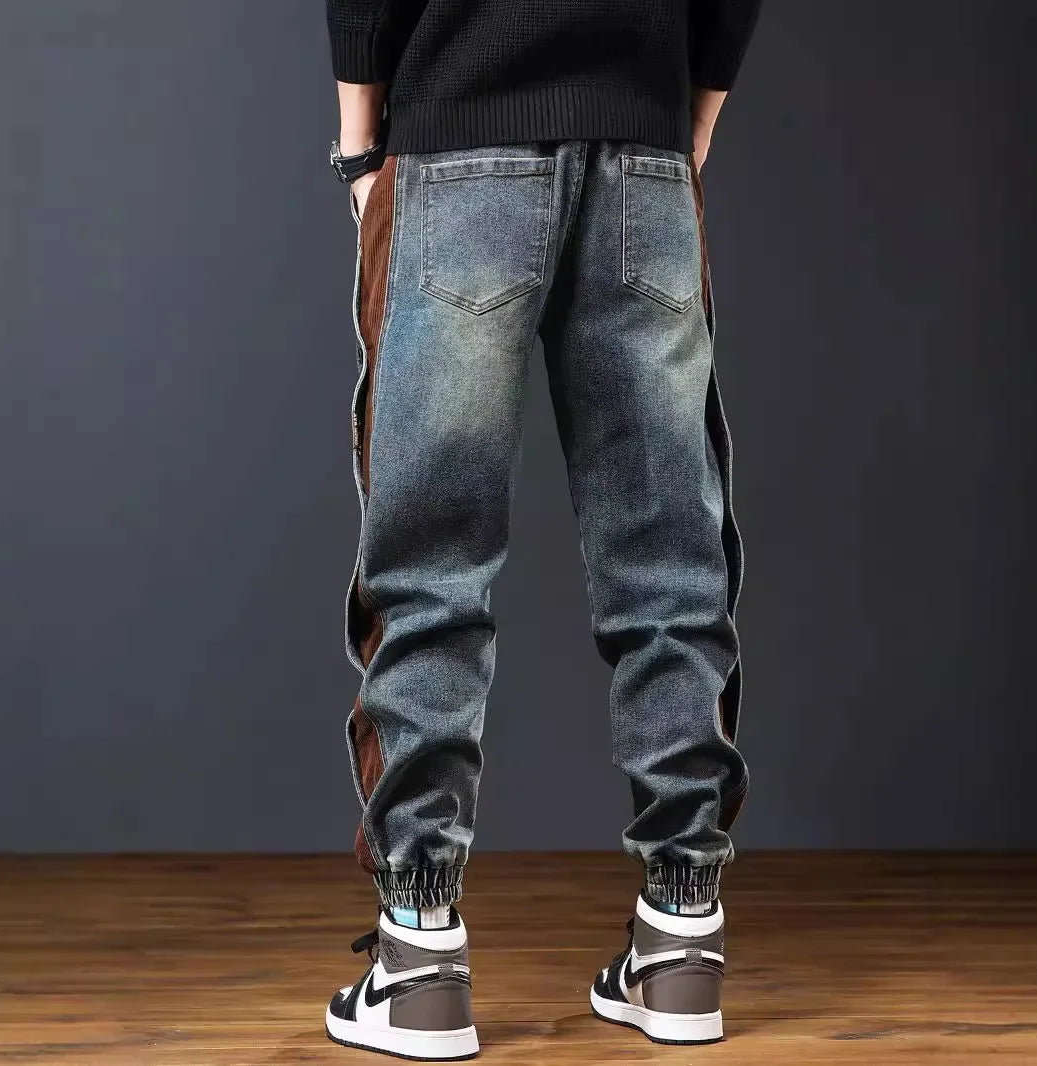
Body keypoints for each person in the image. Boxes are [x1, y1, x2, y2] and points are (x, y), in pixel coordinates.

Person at [322, 0, 761, 1057]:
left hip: (461, 136)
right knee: (669, 564)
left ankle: (419, 951)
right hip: (644, 146)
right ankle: (680, 936)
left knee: (433, 563)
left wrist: (358, 147)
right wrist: (692, 112)